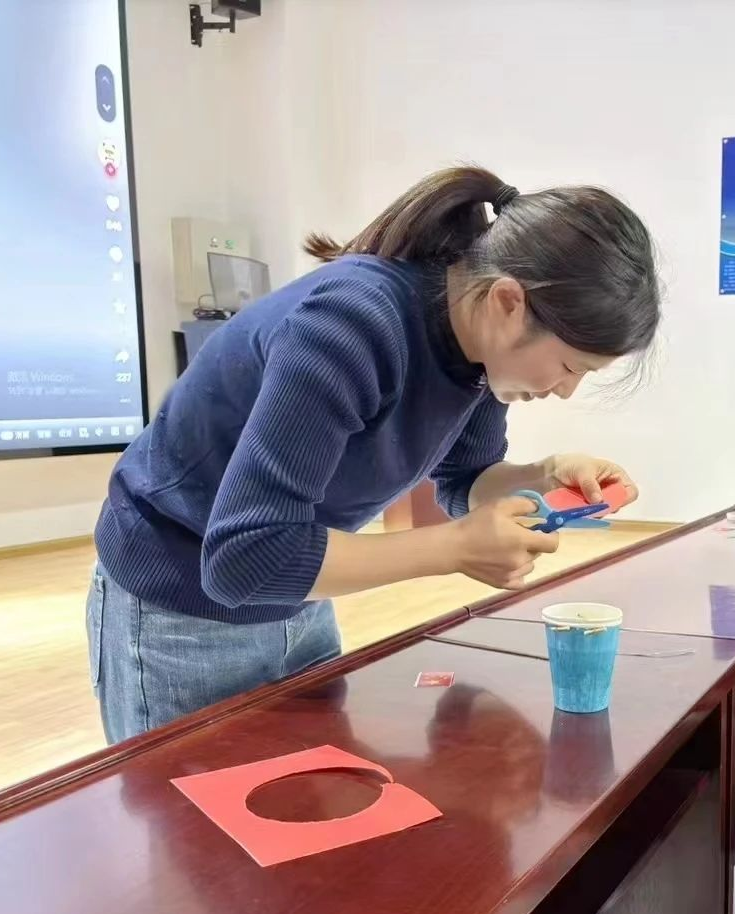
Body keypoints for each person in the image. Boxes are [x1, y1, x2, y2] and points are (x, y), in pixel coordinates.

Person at [88, 166, 660, 744]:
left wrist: (545, 475)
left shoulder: (481, 355)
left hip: (297, 599)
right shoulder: (352, 325)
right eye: (569, 367)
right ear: (509, 302)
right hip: (178, 608)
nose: (566, 391)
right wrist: (455, 548)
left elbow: (464, 480)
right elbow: (244, 558)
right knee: (189, 802)